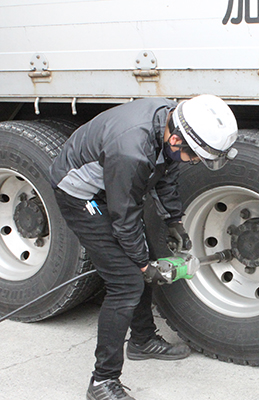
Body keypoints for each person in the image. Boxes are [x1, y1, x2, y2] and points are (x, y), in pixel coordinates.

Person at [49, 95, 238, 400]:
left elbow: (165, 174)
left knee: (144, 259)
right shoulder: (131, 151)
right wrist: (142, 265)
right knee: (126, 282)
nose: (193, 162)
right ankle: (102, 381)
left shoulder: (168, 124)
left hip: (112, 186)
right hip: (81, 195)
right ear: (176, 139)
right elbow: (123, 216)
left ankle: (142, 340)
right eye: (194, 156)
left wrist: (174, 220)